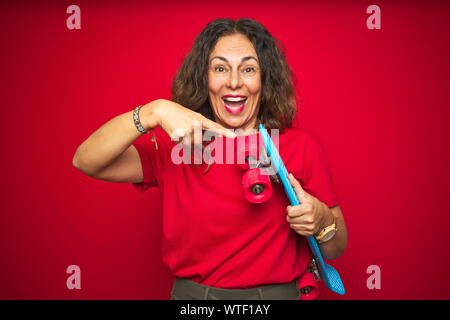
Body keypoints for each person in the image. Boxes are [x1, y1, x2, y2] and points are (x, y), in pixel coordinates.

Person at [72, 18, 347, 300]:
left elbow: (336, 248)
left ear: (265, 80)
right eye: (220, 68)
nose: (234, 82)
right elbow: (86, 160)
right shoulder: (176, 146)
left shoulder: (301, 146)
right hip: (194, 301)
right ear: (204, 78)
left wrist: (322, 219)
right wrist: (151, 112)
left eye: (249, 69)